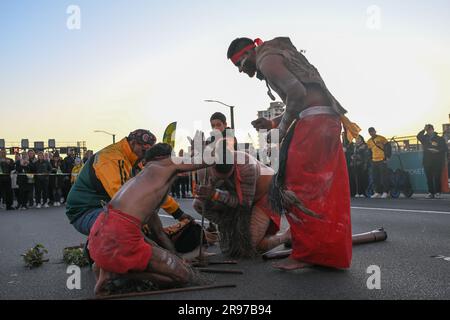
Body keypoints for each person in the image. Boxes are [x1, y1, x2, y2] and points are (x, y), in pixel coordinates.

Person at [227, 36, 358, 270]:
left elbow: (296, 94)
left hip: (314, 124)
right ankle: (328, 253)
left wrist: (282, 128)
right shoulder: (276, 53)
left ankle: (306, 254)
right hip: (326, 121)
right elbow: (305, 98)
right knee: (324, 191)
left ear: (247, 54)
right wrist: (274, 123)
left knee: (293, 188)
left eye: (238, 65)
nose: (240, 71)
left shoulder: (266, 59)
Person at [89, 143, 209, 295]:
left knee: (173, 272)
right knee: (183, 276)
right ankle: (118, 274)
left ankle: (111, 269)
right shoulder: (164, 165)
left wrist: (177, 258)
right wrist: (219, 143)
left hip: (101, 233)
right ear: (164, 158)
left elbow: (158, 233)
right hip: (119, 236)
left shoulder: (145, 182)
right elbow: (206, 160)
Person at [66, 129, 189, 236]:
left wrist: (179, 214)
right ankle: (94, 251)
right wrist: (143, 226)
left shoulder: (136, 160)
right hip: (85, 210)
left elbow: (153, 190)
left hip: (103, 205)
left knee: (148, 212)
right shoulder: (111, 158)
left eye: (149, 151)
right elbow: (121, 197)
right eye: (144, 149)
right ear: (133, 143)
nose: (146, 154)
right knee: (125, 226)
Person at [193, 144, 289, 257]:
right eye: (219, 177)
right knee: (198, 204)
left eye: (226, 176)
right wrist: (205, 194)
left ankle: (287, 236)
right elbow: (206, 199)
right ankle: (229, 227)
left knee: (251, 245)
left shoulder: (246, 167)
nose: (222, 180)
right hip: (234, 196)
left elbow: (244, 204)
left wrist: (215, 194)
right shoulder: (204, 168)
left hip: (264, 195)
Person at [417, 124, 448, 199]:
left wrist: (437, 151)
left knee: (437, 177)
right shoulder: (424, 138)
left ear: (433, 129)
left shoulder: (439, 138)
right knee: (429, 178)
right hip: (427, 161)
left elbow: (445, 148)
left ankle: (438, 192)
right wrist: (423, 129)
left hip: (437, 161)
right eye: (427, 130)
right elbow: (418, 136)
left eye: (430, 130)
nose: (429, 132)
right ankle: (431, 192)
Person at [366, 127, 390, 199]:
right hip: (374, 160)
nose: (371, 133)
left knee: (384, 177)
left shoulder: (381, 138)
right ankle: (377, 192)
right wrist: (370, 160)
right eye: (370, 132)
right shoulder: (369, 141)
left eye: (372, 131)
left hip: (382, 159)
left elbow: (388, 147)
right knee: (375, 177)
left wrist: (387, 156)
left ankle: (386, 192)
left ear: (375, 131)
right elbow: (369, 152)